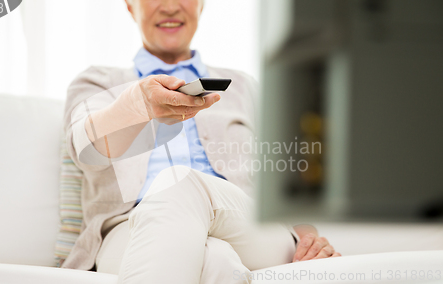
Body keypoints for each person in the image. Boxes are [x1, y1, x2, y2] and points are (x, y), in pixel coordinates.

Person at [61, 0, 340, 283]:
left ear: (202, 5)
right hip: (128, 229)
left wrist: (311, 240)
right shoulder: (97, 80)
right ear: (130, 6)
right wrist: (135, 105)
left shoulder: (245, 86)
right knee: (217, 260)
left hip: (247, 225)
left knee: (179, 182)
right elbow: (84, 147)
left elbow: (290, 179)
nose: (170, 6)